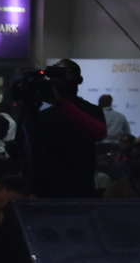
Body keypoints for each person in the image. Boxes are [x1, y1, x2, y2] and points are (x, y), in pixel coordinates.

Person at [24, 60, 107, 199]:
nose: (60, 77)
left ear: (79, 79)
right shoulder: (42, 116)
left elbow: (99, 133)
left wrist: (60, 103)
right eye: (56, 72)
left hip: (80, 191)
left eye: (67, 72)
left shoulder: (91, 110)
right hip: (45, 192)